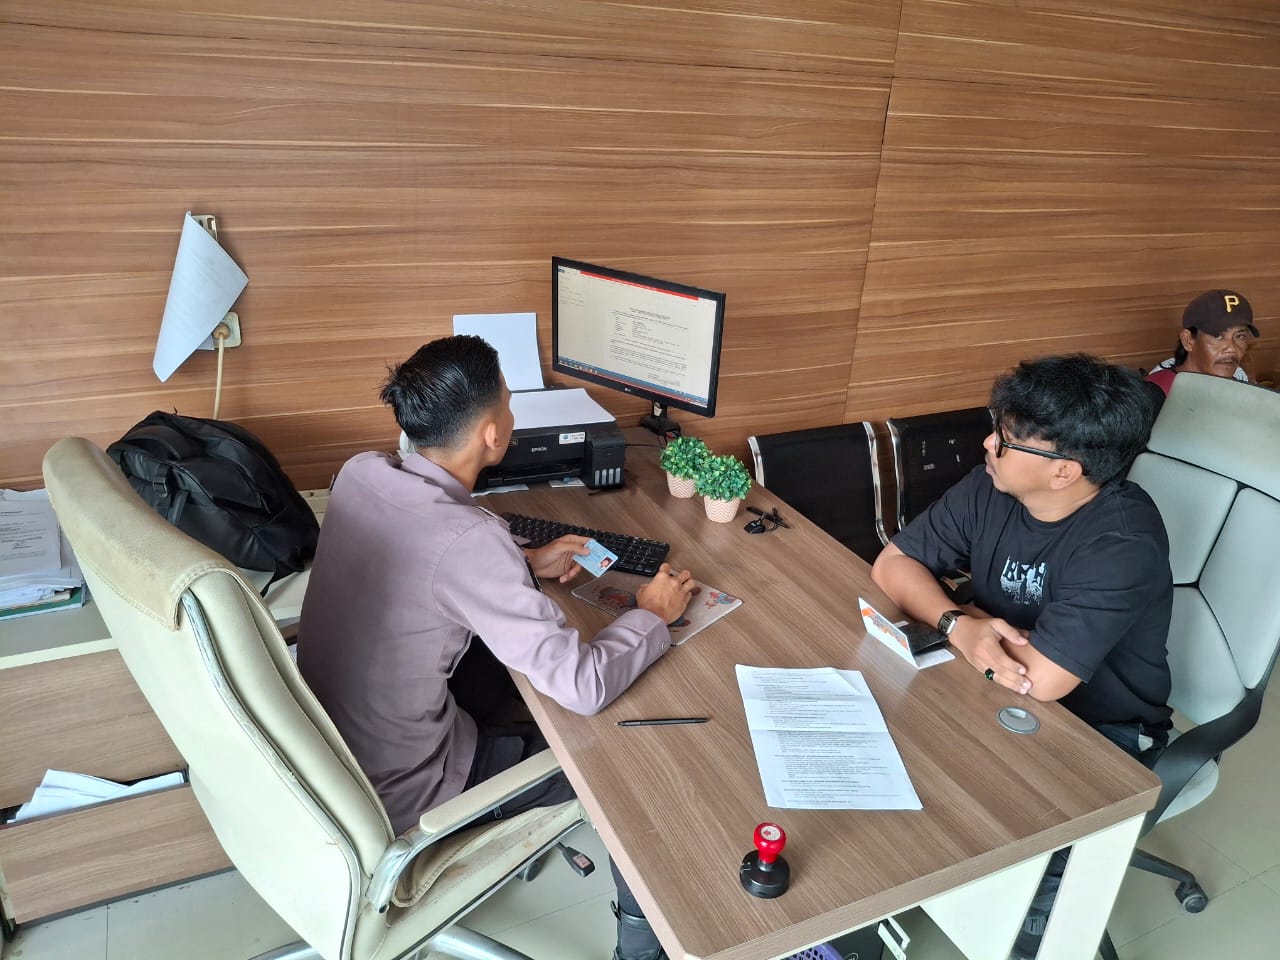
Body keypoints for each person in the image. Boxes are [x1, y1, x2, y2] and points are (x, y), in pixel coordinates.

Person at [298, 335, 696, 960]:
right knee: (631, 764)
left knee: (519, 679)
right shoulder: (470, 541)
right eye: (509, 402)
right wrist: (651, 615)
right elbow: (583, 686)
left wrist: (524, 562)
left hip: (330, 750)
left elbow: (422, 555)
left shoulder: (360, 472)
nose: (512, 413)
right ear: (492, 432)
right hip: (407, 790)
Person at [870, 354, 1173, 960]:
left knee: (1021, 907)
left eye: (1006, 440)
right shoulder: (993, 484)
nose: (988, 444)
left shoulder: (1122, 540)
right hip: (986, 686)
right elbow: (892, 565)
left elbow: (1043, 680)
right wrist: (959, 623)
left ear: (1063, 472)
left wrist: (965, 625)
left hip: (1100, 729)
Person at [1145, 289, 1259, 402]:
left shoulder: (1241, 389)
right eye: (1217, 336)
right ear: (1187, 340)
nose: (1231, 348)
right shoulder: (1153, 394)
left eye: (1239, 336)